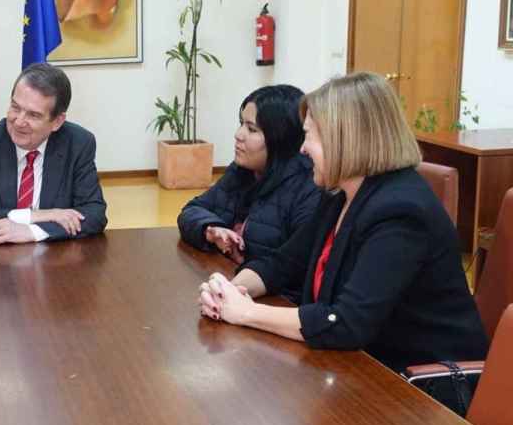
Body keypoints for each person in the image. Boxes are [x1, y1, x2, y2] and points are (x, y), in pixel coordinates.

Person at [198, 72, 488, 373]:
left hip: (423, 387)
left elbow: (345, 322)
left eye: (309, 135)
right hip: (361, 366)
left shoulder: (401, 211)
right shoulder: (341, 193)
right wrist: (227, 292)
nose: (302, 149)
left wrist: (247, 313)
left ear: (342, 138)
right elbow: (283, 264)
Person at [178, 85, 321, 301]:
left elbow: (291, 267)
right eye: (241, 124)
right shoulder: (242, 171)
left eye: (252, 129)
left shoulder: (308, 187)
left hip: (273, 302)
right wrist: (211, 229)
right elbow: (192, 210)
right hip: (232, 284)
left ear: (280, 137)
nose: (238, 135)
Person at [0, 62, 107, 245]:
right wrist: (35, 216)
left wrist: (34, 231)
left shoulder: (78, 143)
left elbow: (95, 215)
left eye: (33, 115)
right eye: (15, 107)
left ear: (57, 122)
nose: (19, 121)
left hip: (56, 260)